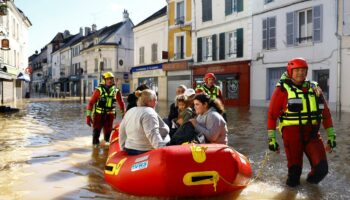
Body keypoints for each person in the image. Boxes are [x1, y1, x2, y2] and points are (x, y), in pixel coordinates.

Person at [267, 58, 336, 187]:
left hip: (312, 135)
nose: (301, 73)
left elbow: (326, 114)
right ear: (290, 71)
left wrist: (331, 136)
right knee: (294, 175)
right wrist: (272, 139)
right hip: (292, 136)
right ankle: (291, 193)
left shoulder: (315, 89)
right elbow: (272, 116)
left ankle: (309, 190)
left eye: (303, 70)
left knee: (321, 170)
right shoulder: (282, 90)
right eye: (297, 70)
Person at [119, 89, 170, 155]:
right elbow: (152, 134)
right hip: (144, 150)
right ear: (152, 100)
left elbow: (122, 131)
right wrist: (163, 152)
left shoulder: (130, 111)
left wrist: (123, 148)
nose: (156, 102)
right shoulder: (149, 113)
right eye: (155, 100)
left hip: (129, 148)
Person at [86, 72, 126, 147]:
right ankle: (95, 150)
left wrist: (124, 115)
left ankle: (106, 150)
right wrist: (88, 116)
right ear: (104, 80)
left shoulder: (116, 91)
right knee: (96, 133)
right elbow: (91, 103)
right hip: (98, 115)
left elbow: (121, 103)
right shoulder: (98, 90)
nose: (110, 80)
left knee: (108, 135)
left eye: (111, 79)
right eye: (108, 79)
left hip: (110, 116)